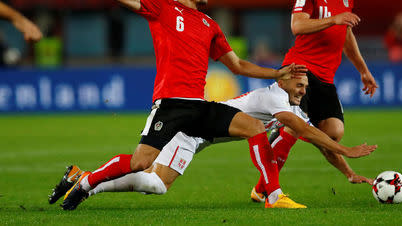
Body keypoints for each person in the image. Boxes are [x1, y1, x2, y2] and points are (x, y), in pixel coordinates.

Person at [58, 0, 307, 210]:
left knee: (255, 128)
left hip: (199, 107)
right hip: (171, 105)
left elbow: (236, 65)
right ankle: (85, 183)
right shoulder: (164, 7)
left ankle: (273, 196)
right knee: (140, 163)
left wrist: (276, 73)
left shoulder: (209, 25)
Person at [49, 76, 377, 204]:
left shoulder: (284, 103)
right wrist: (346, 148)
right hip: (193, 129)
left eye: (306, 87)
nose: (303, 91)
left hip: (199, 135)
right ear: (285, 79)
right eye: (299, 85)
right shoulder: (275, 98)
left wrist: (347, 171)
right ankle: (272, 194)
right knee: (154, 182)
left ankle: (81, 178)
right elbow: (308, 132)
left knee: (156, 183)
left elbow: (315, 137)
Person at [280, 0, 378, 185]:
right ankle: (266, 186)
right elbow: (297, 25)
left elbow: (346, 35)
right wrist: (334, 19)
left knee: (333, 132)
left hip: (325, 76)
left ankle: (284, 133)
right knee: (297, 125)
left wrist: (363, 70)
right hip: (301, 68)